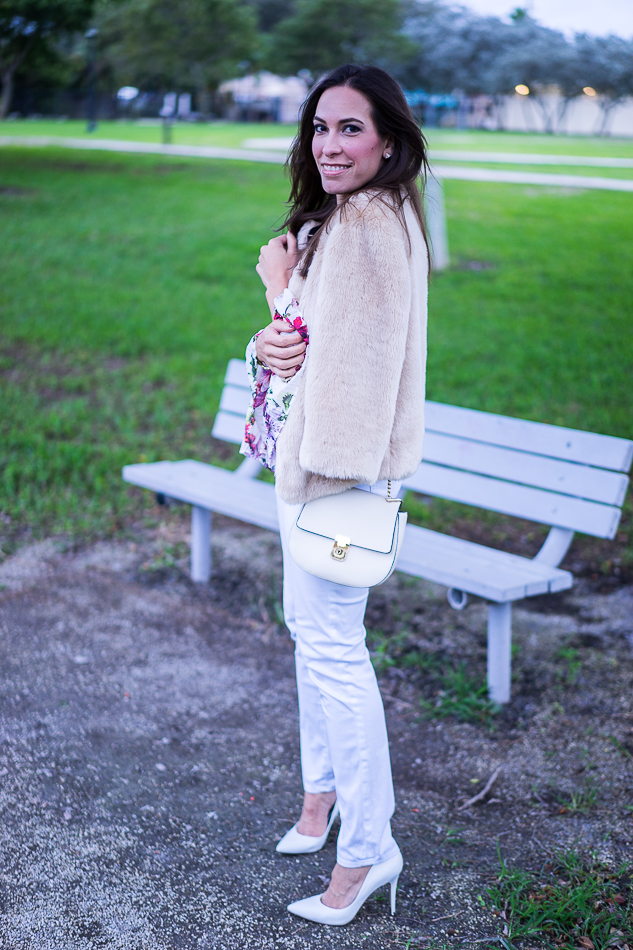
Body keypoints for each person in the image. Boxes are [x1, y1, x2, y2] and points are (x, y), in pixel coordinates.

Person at [241, 63, 429, 926]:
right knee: (311, 638)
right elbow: (306, 343)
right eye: (319, 128)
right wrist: (274, 323)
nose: (328, 145)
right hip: (313, 467)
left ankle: (368, 848)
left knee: (333, 653)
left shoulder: (365, 222)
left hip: (333, 473)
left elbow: (355, 371)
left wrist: (279, 288)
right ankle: (321, 800)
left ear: (387, 140)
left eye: (349, 129)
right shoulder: (352, 217)